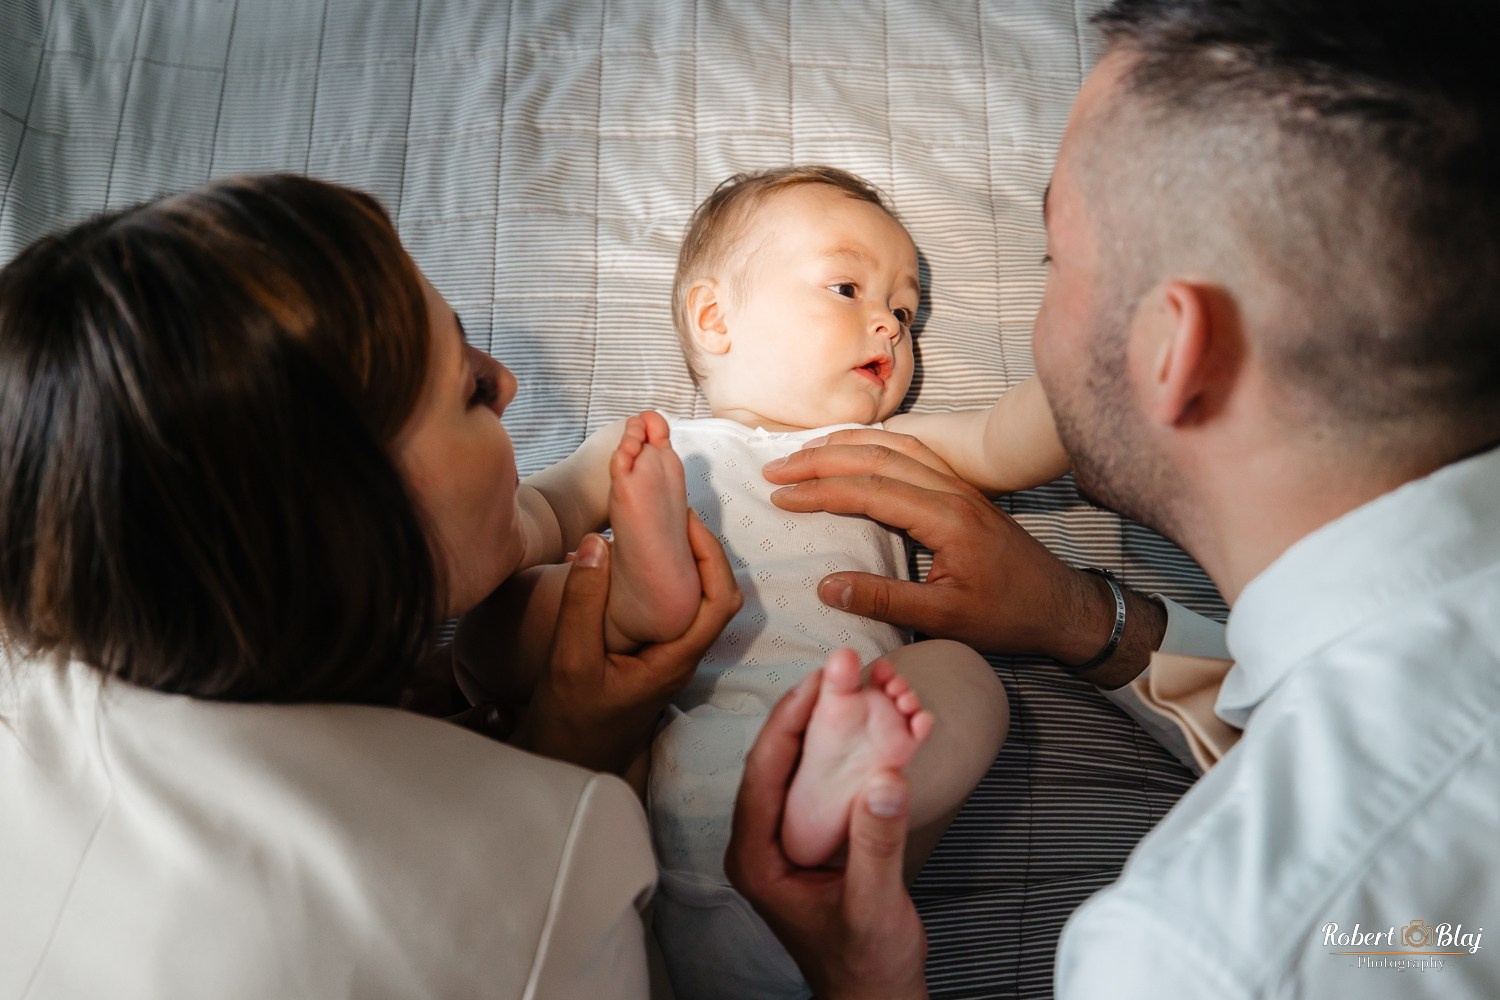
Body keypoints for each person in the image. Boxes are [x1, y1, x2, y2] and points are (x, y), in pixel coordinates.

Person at [728, 0, 1500, 997]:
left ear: (1171, 350)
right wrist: (1085, 618)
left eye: (1055, 261)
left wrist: (861, 982)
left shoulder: (1196, 954)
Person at [0, 173, 745, 999]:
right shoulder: (552, 868)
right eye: (470, 390)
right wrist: (586, 758)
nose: (507, 382)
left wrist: (571, 499)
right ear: (358, 529)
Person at [456, 164, 1069, 999]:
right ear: (715, 319)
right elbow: (530, 516)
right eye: (848, 288)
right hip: (643, 769)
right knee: (503, 621)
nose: (889, 328)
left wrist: (1096, 361)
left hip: (824, 826)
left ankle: (848, 792)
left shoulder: (890, 447)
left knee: (962, 679)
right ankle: (639, 606)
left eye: (905, 312)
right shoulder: (654, 446)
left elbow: (1004, 441)